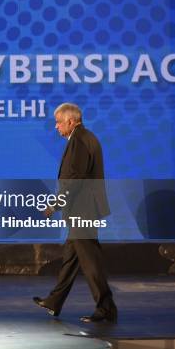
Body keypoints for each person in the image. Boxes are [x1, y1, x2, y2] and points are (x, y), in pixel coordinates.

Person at [33, 103, 118, 323]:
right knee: (71, 259)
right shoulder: (84, 137)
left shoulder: (80, 141)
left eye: (59, 122)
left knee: (90, 261)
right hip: (83, 209)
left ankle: (106, 307)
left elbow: (74, 180)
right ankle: (55, 300)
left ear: (71, 121)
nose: (56, 127)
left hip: (83, 210)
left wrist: (54, 204)